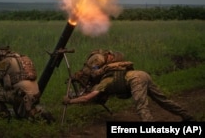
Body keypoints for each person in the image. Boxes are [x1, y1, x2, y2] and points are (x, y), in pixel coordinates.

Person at [63, 49, 195, 121]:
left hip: (136, 80)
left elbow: (87, 98)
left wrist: (70, 100)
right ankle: (187, 116)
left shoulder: (104, 82)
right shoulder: (113, 74)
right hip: (142, 74)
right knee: (163, 100)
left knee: (141, 107)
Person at [0, 46, 54, 123]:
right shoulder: (25, 58)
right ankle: (39, 113)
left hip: (21, 95)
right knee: (24, 110)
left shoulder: (6, 61)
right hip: (35, 94)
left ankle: (3, 116)